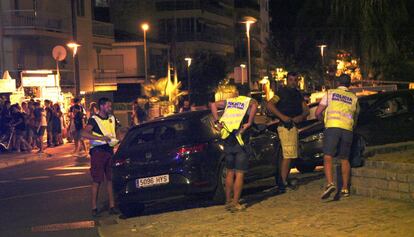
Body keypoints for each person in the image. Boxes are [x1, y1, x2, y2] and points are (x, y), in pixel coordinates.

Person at [210, 86, 258, 212]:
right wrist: (249, 122)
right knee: (240, 173)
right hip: (240, 142)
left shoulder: (230, 102)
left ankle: (228, 201)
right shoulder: (250, 102)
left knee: (230, 172)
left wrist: (217, 121)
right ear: (248, 93)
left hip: (228, 142)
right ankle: (236, 203)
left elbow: (213, 105)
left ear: (236, 93)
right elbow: (253, 108)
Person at [315, 74, 359, 199]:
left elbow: (318, 112)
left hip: (333, 127)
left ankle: (330, 183)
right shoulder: (353, 98)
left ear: (338, 82)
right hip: (347, 130)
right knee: (344, 158)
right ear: (349, 84)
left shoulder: (330, 93)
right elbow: (356, 117)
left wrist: (322, 121)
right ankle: (345, 188)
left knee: (328, 156)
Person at [266, 71, 309, 192]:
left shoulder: (298, 94)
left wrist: (300, 117)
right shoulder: (281, 92)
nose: (293, 82)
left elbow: (306, 109)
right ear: (287, 80)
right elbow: (270, 104)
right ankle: (282, 182)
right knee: (288, 155)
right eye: (291, 80)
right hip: (285, 126)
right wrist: (283, 117)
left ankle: (284, 179)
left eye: (295, 80)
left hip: (293, 125)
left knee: (291, 155)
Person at [82, 97, 119, 217]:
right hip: (98, 152)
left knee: (110, 179)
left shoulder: (112, 118)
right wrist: (101, 138)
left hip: (109, 150)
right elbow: (84, 133)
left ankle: (112, 206)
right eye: (108, 106)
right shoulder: (93, 119)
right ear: (102, 106)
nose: (110, 108)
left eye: (110, 106)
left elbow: (116, 132)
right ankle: (94, 207)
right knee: (97, 180)